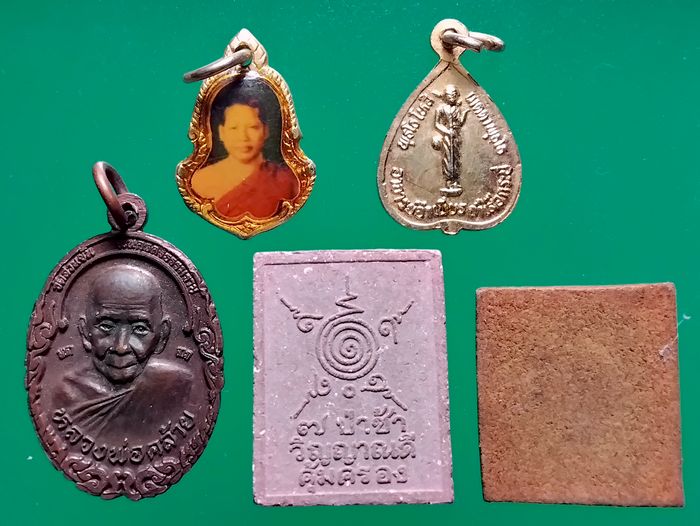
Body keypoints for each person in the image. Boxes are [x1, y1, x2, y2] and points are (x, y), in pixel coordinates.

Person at [53, 263, 193, 442]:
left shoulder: (178, 386)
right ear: (85, 332)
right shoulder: (65, 394)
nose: (121, 347)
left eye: (140, 329)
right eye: (106, 326)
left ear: (162, 336)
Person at [192, 97, 299, 220]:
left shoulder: (288, 181)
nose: (243, 137)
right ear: (221, 132)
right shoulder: (200, 181)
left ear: (265, 131)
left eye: (253, 127)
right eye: (234, 128)